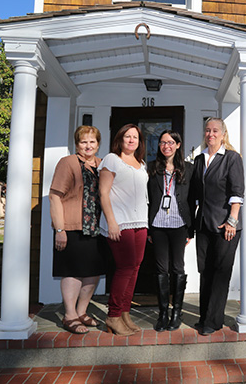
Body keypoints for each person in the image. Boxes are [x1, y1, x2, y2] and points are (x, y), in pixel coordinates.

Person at [49, 125, 106, 334]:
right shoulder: (68, 163)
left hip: (97, 228)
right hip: (72, 227)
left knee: (92, 272)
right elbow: (55, 195)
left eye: (92, 142)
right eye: (84, 142)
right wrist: (59, 229)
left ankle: (82, 311)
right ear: (77, 144)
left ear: (98, 144)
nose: (88, 146)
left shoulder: (102, 165)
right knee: (72, 271)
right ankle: (70, 315)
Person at [190, 117, 244, 336]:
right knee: (206, 271)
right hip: (203, 223)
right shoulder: (200, 159)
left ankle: (213, 321)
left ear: (223, 134)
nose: (210, 134)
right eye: (207, 130)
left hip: (225, 225)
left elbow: (237, 191)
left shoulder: (231, 158)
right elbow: (194, 194)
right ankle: (205, 317)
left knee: (221, 273)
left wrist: (233, 220)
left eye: (215, 131)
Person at [99, 124, 149, 336]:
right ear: (120, 139)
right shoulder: (112, 159)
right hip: (120, 222)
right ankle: (113, 315)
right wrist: (111, 222)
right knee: (125, 268)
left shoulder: (141, 163)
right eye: (127, 136)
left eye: (135, 137)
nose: (131, 140)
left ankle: (125, 313)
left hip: (140, 222)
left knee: (135, 268)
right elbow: (103, 193)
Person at [147, 130, 194, 332]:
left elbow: (193, 199)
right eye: (163, 142)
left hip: (179, 225)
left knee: (178, 268)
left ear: (177, 145)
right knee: (161, 270)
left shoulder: (189, 169)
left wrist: (190, 230)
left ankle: (177, 312)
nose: (166, 146)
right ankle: (163, 313)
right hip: (158, 225)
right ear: (159, 146)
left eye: (170, 142)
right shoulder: (150, 168)